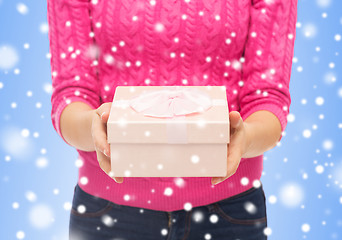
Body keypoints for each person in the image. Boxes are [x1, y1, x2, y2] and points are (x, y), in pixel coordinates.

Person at [47, 0, 297, 239]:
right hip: (108, 214)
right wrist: (93, 128)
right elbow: (71, 95)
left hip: (229, 213)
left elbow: (268, 97)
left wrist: (246, 138)